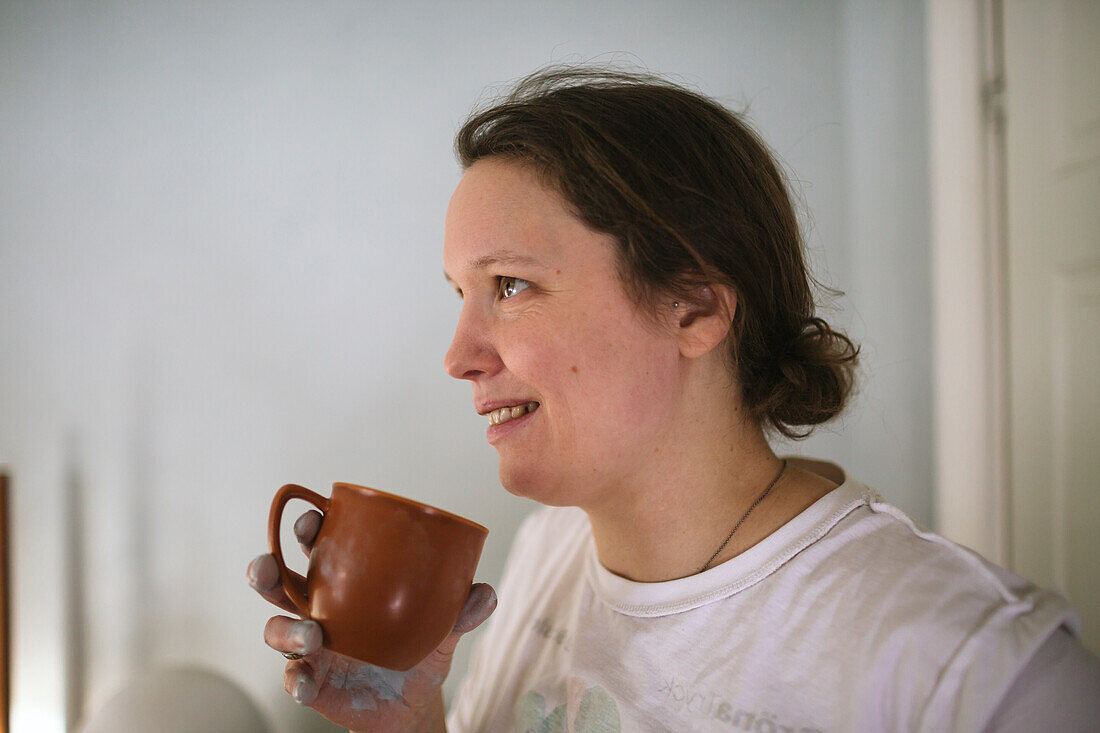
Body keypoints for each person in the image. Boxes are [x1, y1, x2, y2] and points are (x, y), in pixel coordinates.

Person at [247, 67, 1100, 732]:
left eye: (510, 285)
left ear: (693, 306)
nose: (458, 355)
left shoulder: (982, 673)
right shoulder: (546, 556)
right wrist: (410, 720)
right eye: (459, 294)